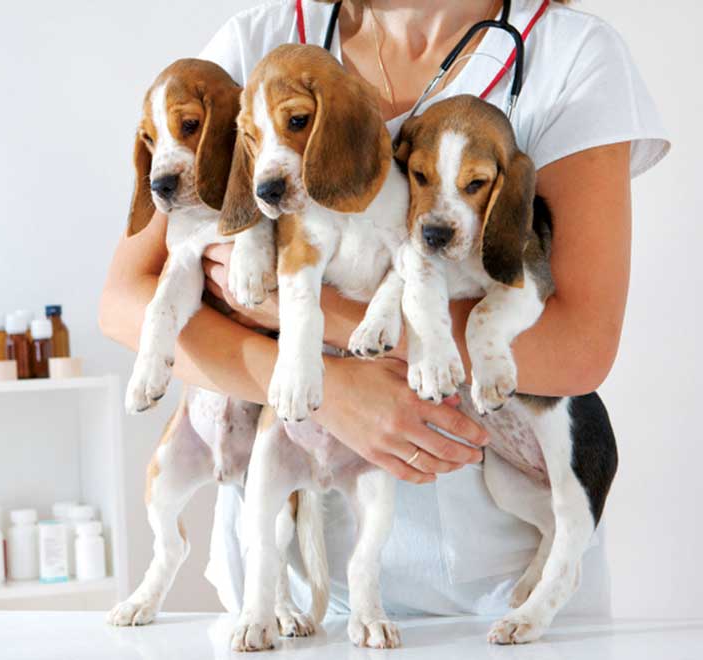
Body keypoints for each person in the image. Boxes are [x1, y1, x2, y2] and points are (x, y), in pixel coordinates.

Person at [99, 0, 668, 617]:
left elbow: (579, 348)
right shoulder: (259, 39)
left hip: (500, 582)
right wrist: (333, 392)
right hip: (287, 584)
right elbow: (125, 300)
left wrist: (304, 316)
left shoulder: (572, 55)